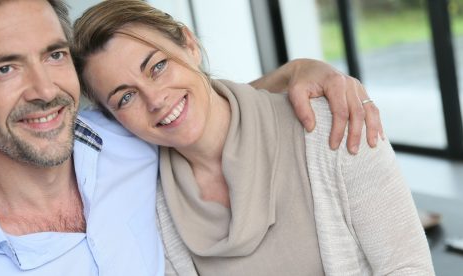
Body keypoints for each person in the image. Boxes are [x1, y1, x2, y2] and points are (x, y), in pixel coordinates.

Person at [0, 0, 383, 275]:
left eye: (54, 55)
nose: (44, 91)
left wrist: (299, 71)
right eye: (6, 68)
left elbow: (193, 103)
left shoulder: (127, 137)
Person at [72, 0, 435, 275]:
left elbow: (407, 267)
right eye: (125, 97)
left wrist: (297, 69)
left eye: (158, 66)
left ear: (189, 44)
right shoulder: (148, 202)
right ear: (113, 118)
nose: (155, 99)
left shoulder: (331, 124)